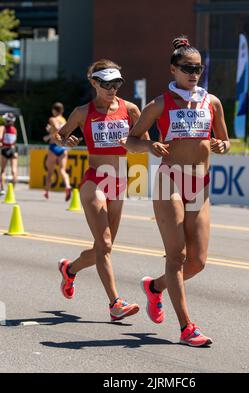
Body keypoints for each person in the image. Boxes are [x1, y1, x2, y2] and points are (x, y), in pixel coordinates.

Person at [125, 36, 230, 347]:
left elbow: (225, 140)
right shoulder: (159, 104)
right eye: (187, 68)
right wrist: (148, 145)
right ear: (173, 69)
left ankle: (155, 287)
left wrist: (222, 145)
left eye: (198, 68)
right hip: (171, 180)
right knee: (177, 256)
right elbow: (131, 141)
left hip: (201, 182)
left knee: (196, 261)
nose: (194, 73)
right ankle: (187, 328)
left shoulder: (211, 102)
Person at [55, 59, 147, 322]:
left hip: (119, 183)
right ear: (94, 83)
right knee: (105, 244)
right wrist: (66, 142)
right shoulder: (82, 112)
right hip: (94, 181)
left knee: (102, 248)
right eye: (106, 83)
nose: (112, 88)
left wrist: (132, 145)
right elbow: (59, 136)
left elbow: (146, 144)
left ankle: (69, 269)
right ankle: (115, 304)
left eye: (117, 83)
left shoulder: (130, 110)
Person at [44, 102, 71, 201]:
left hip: (54, 146)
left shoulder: (52, 119)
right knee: (62, 170)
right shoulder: (64, 120)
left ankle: (46, 191)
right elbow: (60, 130)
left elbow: (56, 128)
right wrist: (50, 132)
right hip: (63, 147)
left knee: (50, 171)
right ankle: (67, 186)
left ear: (54, 110)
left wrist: (51, 130)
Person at [0, 112, 18, 196]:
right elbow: (14, 142)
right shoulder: (14, 129)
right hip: (13, 150)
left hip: (4, 149)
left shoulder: (2, 128)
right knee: (14, 171)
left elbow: (0, 139)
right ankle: (12, 191)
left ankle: (2, 189)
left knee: (3, 170)